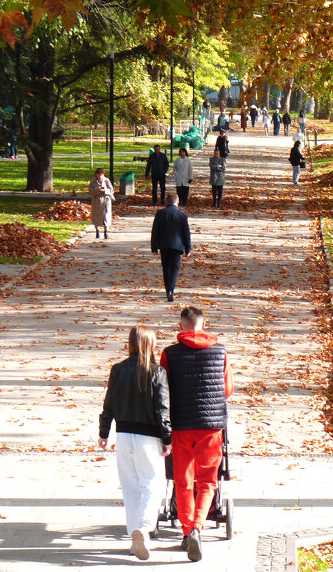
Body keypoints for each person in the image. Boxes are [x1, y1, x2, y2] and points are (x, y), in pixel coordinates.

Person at [160, 306, 233, 563]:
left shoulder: (169, 354)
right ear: (204, 324)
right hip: (211, 427)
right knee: (207, 481)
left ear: (181, 327)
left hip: (181, 425)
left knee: (182, 480)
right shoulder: (220, 351)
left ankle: (186, 528)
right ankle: (197, 528)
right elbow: (227, 389)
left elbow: (163, 390)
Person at [98, 326, 172, 561]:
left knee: (130, 487)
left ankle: (135, 536)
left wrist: (103, 432)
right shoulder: (156, 372)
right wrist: (167, 437)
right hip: (149, 437)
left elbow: (108, 403)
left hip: (123, 434)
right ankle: (145, 526)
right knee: (153, 484)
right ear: (151, 344)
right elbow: (162, 409)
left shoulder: (118, 370)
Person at [150, 192, 191, 302]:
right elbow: (186, 233)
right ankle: (171, 289)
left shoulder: (160, 214)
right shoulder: (182, 216)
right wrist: (188, 248)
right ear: (178, 202)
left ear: (166, 202)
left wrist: (154, 247)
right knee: (174, 268)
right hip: (177, 247)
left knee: (166, 268)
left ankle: (167, 288)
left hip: (164, 245)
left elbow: (155, 231)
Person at [89, 168, 115, 239]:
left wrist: (105, 190)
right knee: (96, 217)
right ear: (96, 174)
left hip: (106, 200)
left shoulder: (106, 180)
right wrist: (97, 190)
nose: (100, 176)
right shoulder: (93, 181)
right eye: (99, 175)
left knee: (106, 216)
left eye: (102, 174)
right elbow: (90, 192)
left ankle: (105, 231)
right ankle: (97, 232)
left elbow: (112, 190)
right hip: (97, 201)